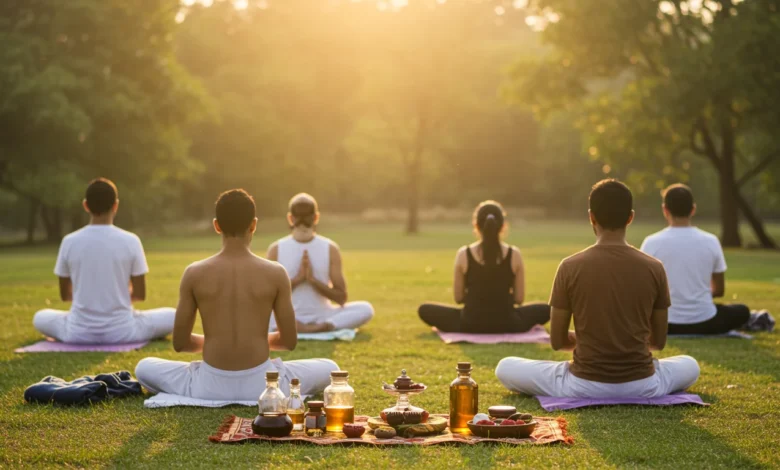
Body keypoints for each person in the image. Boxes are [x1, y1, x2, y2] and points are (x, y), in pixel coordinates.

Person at [496, 180, 700, 398]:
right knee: (690, 364)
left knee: (506, 367)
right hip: (643, 385)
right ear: (630, 217)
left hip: (583, 385)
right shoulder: (654, 268)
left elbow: (557, 341)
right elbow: (658, 342)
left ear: (591, 217)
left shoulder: (569, 266)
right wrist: (623, 340)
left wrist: (591, 339)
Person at [135, 189, 338, 400]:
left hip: (207, 386)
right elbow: (289, 341)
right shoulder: (276, 273)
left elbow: (180, 343)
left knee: (144, 367)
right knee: (330, 368)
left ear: (216, 225)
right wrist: (251, 341)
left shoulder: (194, 273)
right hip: (265, 386)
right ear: (254, 225)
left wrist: (218, 342)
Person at [32, 178, 175, 344]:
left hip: (77, 332)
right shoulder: (131, 240)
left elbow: (65, 295)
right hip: (124, 331)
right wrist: (113, 298)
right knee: (174, 316)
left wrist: (91, 300)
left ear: (85, 205)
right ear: (116, 205)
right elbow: (140, 294)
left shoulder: (69, 241)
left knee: (40, 317)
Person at [641, 184, 774, 334]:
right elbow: (719, 290)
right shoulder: (711, 241)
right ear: (693, 209)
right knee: (742, 311)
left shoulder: (651, 243)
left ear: (665, 210)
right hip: (705, 321)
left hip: (665, 324)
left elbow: (643, 291)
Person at [417, 201, 550, 334]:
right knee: (547, 310)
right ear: (503, 226)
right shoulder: (514, 254)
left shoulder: (464, 254)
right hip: (509, 323)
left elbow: (458, 298)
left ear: (476, 225)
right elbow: (519, 299)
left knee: (425, 309)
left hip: (469, 324)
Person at [266, 193, 374, 333]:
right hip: (287, 316)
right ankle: (310, 327)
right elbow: (268, 297)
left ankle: (317, 327)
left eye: (307, 218)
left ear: (315, 218)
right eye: (299, 217)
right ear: (290, 218)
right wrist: (298, 279)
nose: (302, 223)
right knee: (253, 313)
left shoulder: (330, 248)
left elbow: (341, 298)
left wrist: (313, 280)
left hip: (323, 315)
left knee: (366, 309)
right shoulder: (276, 249)